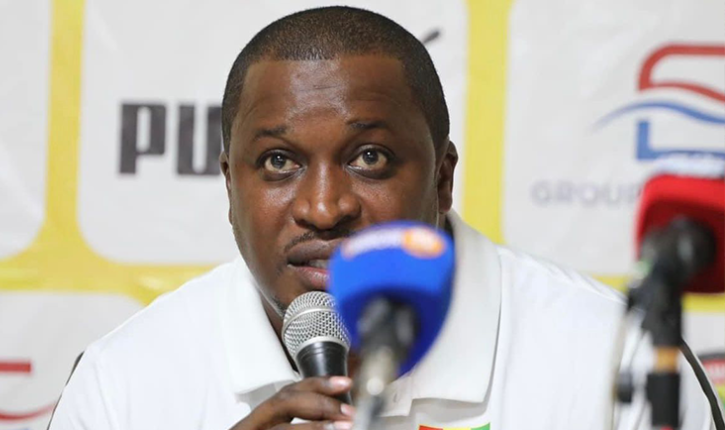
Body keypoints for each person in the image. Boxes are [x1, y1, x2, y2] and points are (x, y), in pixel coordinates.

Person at [49, 6, 720, 430]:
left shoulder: (613, 358)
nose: (324, 208)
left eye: (369, 158)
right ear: (230, 185)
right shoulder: (124, 384)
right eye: (279, 162)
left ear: (442, 178)